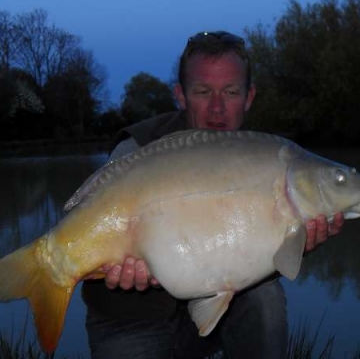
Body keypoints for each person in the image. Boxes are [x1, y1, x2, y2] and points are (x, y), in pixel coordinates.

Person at [82, 31, 345, 359]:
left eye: (231, 92)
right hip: (130, 320)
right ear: (181, 95)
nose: (217, 110)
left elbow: (241, 249)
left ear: (249, 97)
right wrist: (110, 269)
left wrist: (294, 241)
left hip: (212, 315)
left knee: (266, 299)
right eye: (203, 92)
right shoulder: (135, 151)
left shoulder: (262, 155)